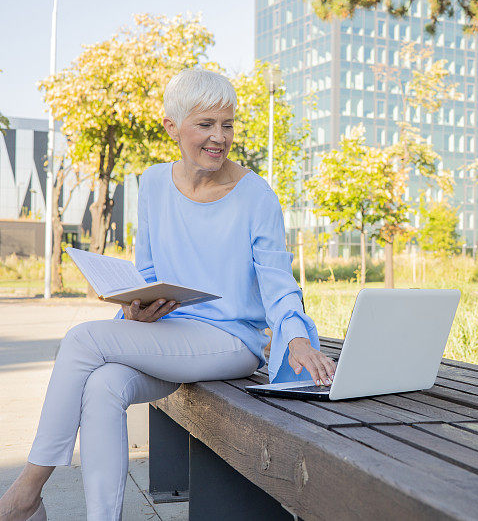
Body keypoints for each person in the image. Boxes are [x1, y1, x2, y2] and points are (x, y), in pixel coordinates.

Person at [0, 68, 335, 521]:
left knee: (82, 340)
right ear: (171, 127)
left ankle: (25, 493)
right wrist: (136, 312)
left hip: (233, 343)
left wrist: (295, 336)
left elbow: (279, 283)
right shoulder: (154, 184)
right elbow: (149, 270)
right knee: (102, 386)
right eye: (206, 124)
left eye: (228, 124)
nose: (220, 137)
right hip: (172, 336)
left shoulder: (257, 196)